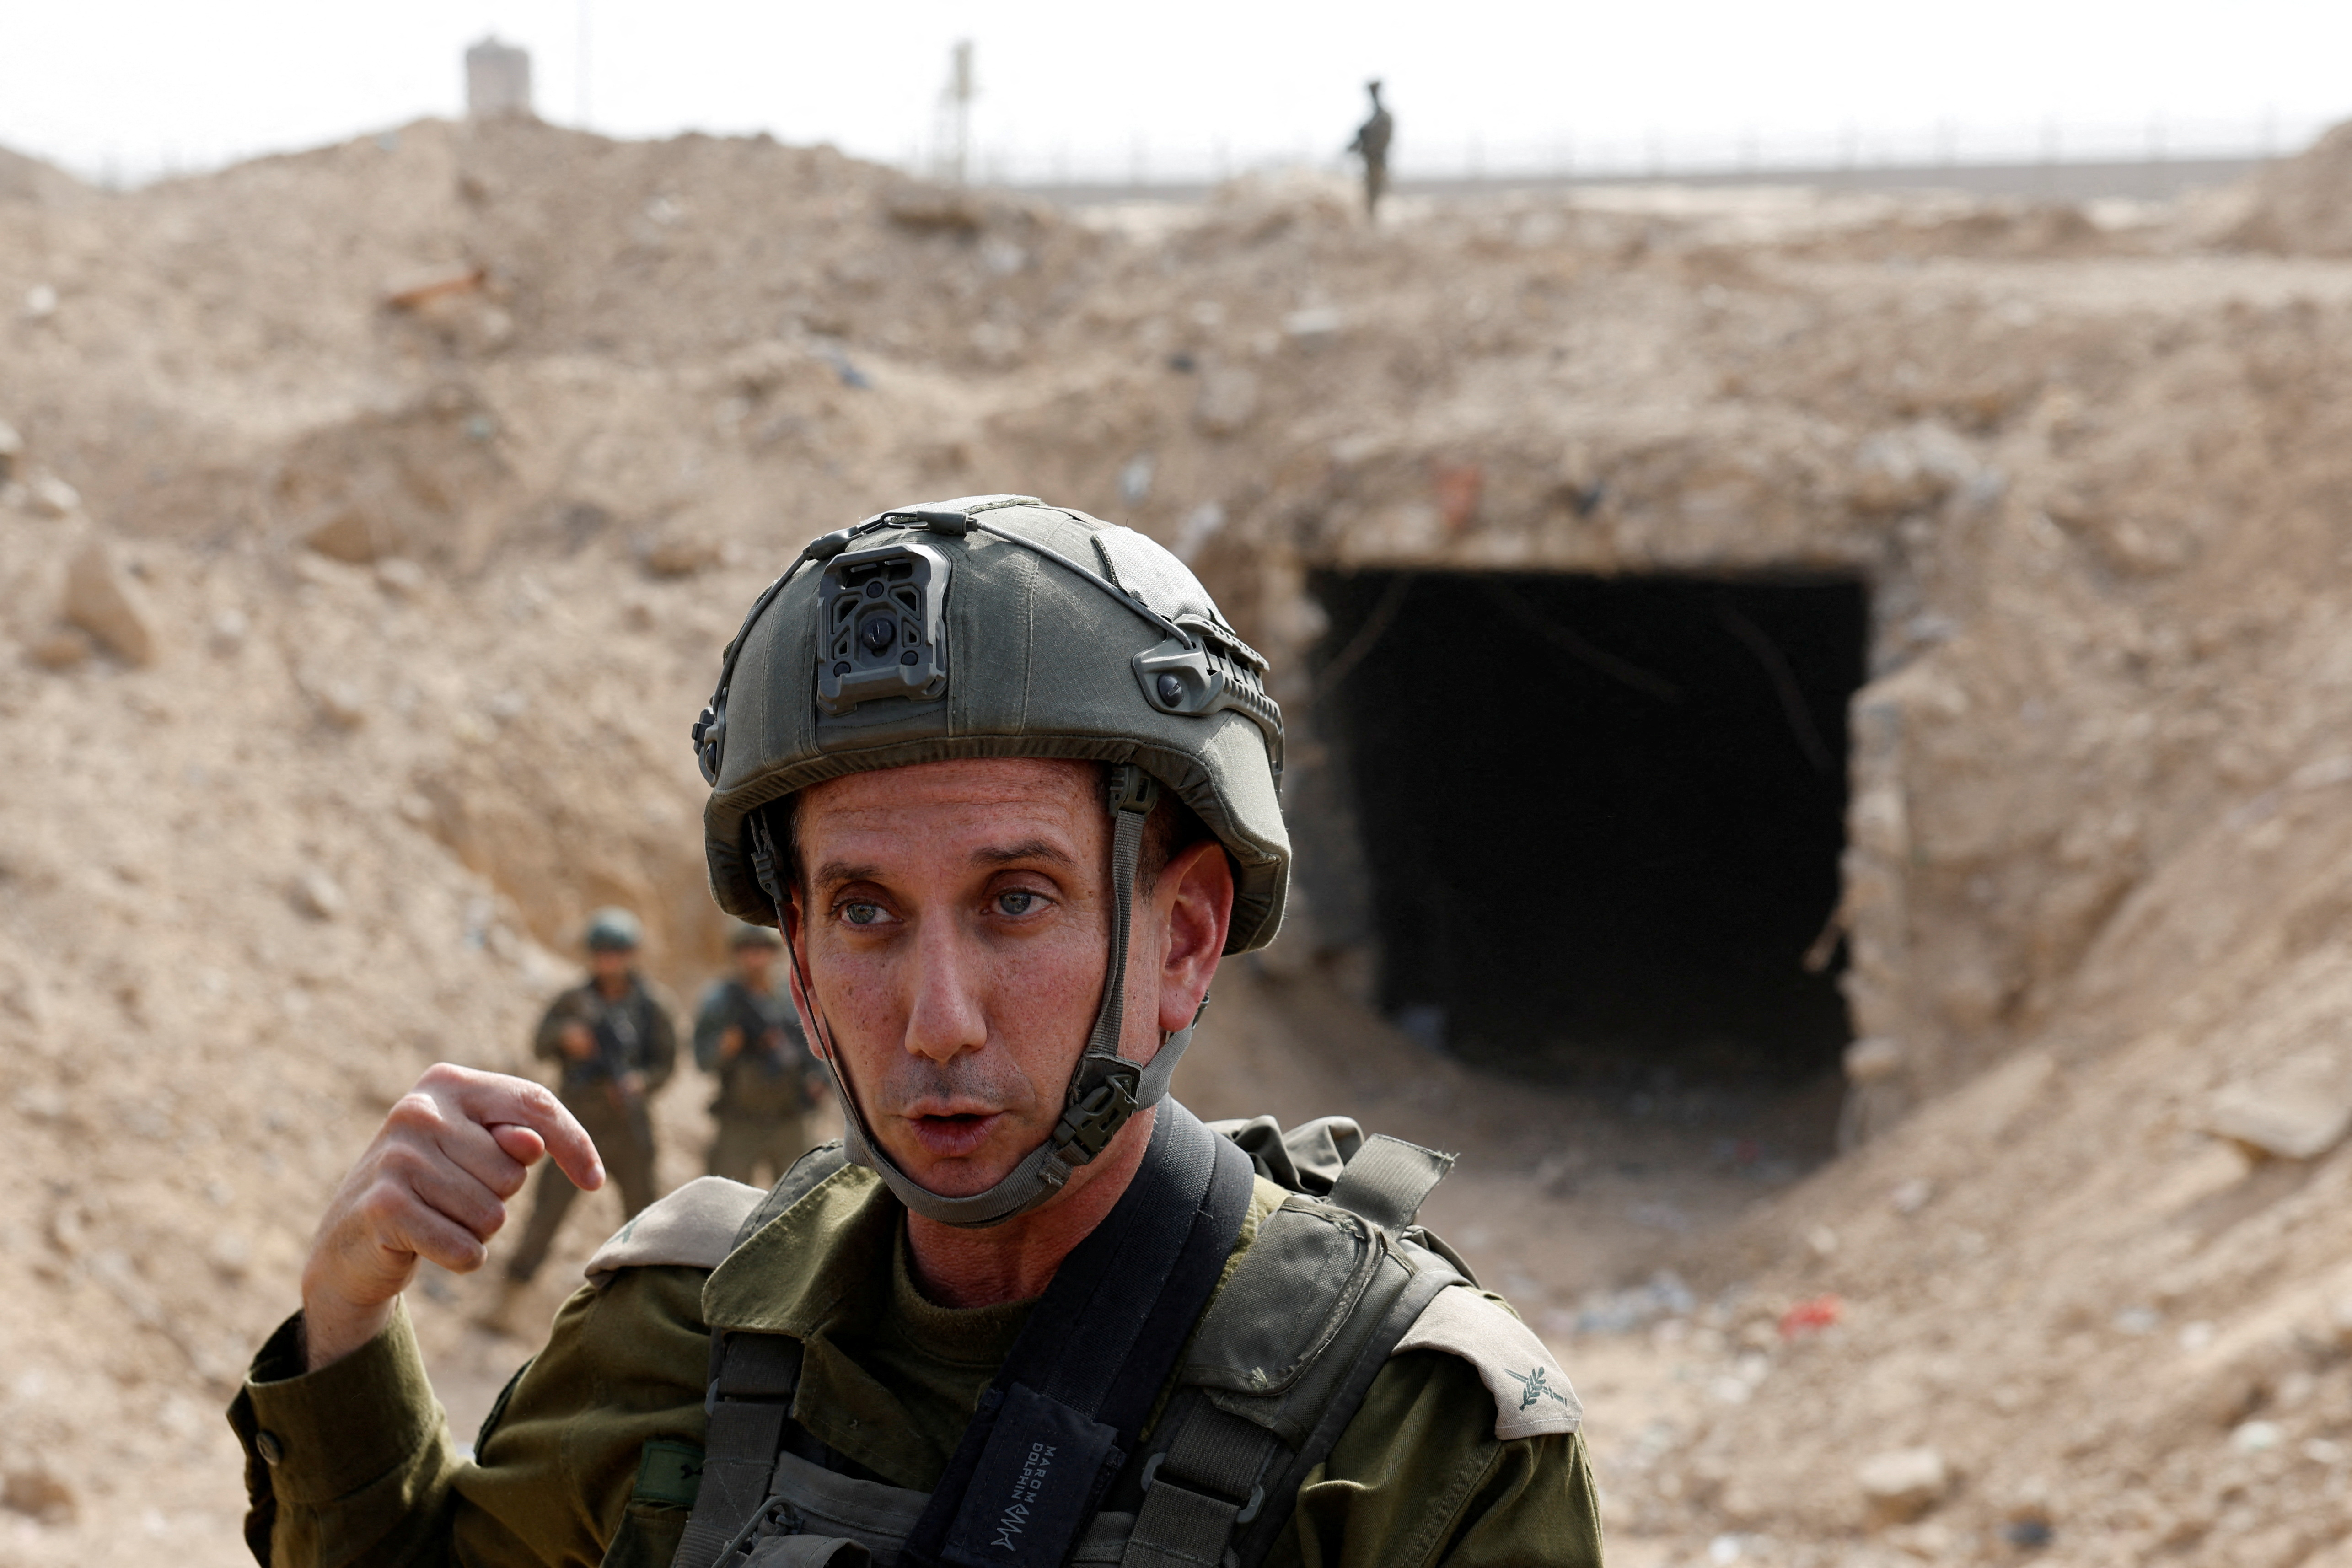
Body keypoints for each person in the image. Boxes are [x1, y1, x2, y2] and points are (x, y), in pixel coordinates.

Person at [228, 496, 1602, 1568]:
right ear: (805, 968)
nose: (936, 1019)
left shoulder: (1405, 1431)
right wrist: (349, 1316)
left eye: (1015, 899)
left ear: (1180, 938)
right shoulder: (680, 1326)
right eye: (867, 912)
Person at [480, 905, 677, 1329]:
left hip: (629, 1127)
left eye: (617, 951)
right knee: (547, 1213)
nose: (609, 960)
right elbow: (540, 1043)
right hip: (576, 1126)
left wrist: (640, 1083)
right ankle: (509, 1302)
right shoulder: (574, 1001)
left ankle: (647, 1317)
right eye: (602, 951)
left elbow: (666, 1063)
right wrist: (567, 1039)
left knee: (644, 1219)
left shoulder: (651, 1007)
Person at [695, 921, 828, 1184]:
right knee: (729, 1199)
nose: (755, 958)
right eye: (747, 950)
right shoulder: (722, 1001)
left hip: (789, 1117)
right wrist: (725, 1048)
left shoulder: (795, 997)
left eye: (761, 949)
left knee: (800, 1198)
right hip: (740, 1120)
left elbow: (821, 1045)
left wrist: (819, 1080)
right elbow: (703, 1060)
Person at [1348, 79, 1394, 219]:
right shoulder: (1374, 118)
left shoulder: (1383, 118)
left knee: (1375, 196)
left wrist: (1365, 145)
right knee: (1368, 196)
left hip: (1377, 162)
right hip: (1370, 162)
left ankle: (1374, 223)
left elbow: (1380, 142)